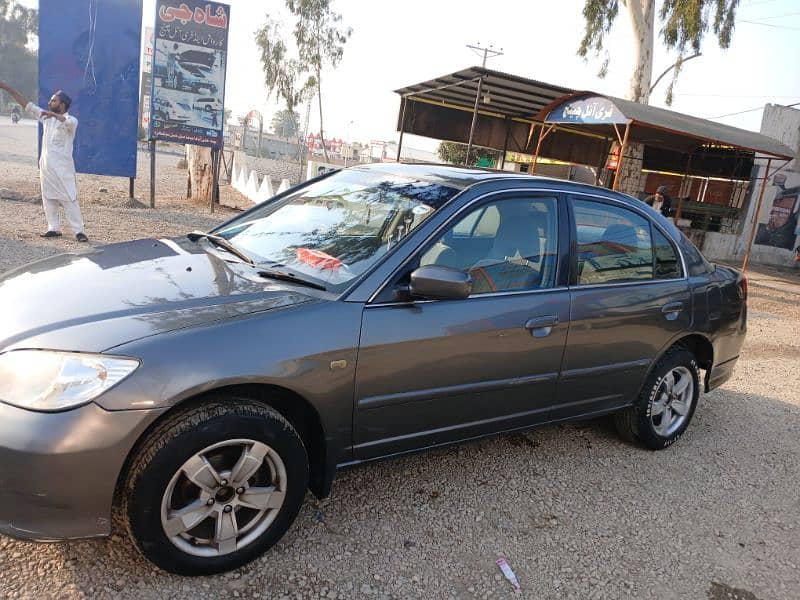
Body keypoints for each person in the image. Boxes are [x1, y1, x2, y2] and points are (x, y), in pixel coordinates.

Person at [0, 81, 88, 241]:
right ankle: (53, 228)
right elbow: (27, 104)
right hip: (47, 168)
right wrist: (8, 88)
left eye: (53, 100)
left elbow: (66, 122)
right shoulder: (47, 119)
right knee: (48, 198)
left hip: (63, 170)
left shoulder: (71, 121)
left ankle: (79, 231)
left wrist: (53, 115)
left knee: (69, 198)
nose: (49, 102)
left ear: (62, 105)